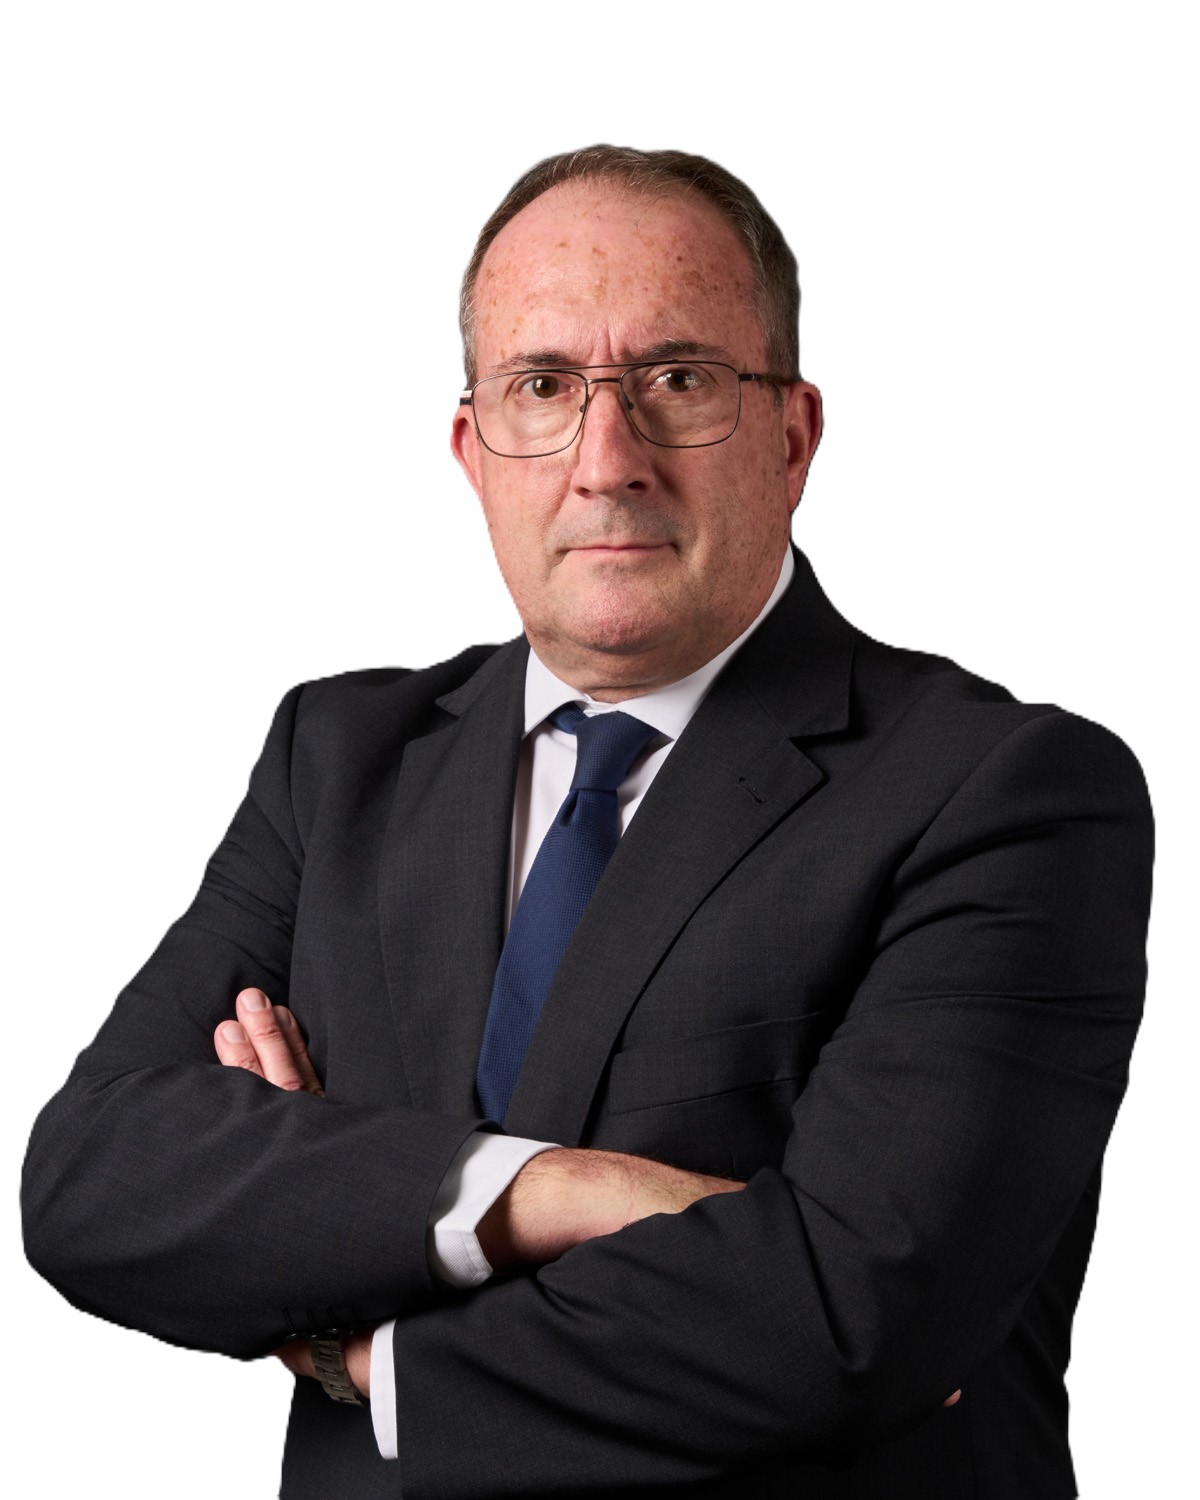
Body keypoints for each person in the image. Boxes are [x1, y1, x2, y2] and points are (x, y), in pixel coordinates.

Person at [22, 146, 1154, 1498]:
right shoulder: (336, 761)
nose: (606, 461)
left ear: (793, 437)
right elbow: (91, 1183)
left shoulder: (1006, 792)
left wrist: (356, 1338)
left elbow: (857, 1315)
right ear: (472, 450)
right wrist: (554, 1190)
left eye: (678, 381)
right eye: (543, 386)